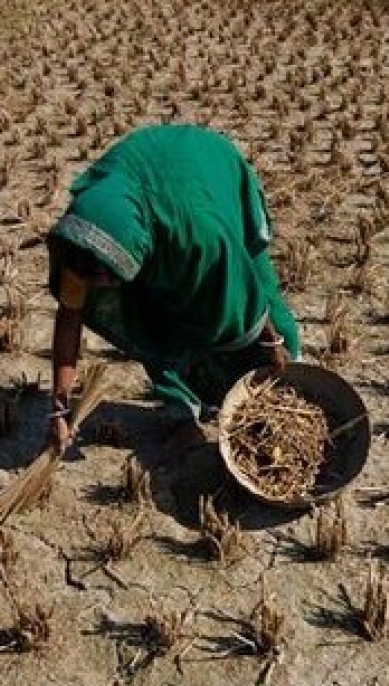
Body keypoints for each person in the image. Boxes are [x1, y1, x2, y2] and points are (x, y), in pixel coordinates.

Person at [45, 124, 302, 454]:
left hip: (207, 173)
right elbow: (69, 316)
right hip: (150, 189)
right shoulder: (84, 241)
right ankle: (182, 410)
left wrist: (272, 341)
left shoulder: (202, 238)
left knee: (247, 297)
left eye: (107, 280)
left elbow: (246, 294)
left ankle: (283, 388)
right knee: (152, 318)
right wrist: (59, 406)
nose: (103, 289)